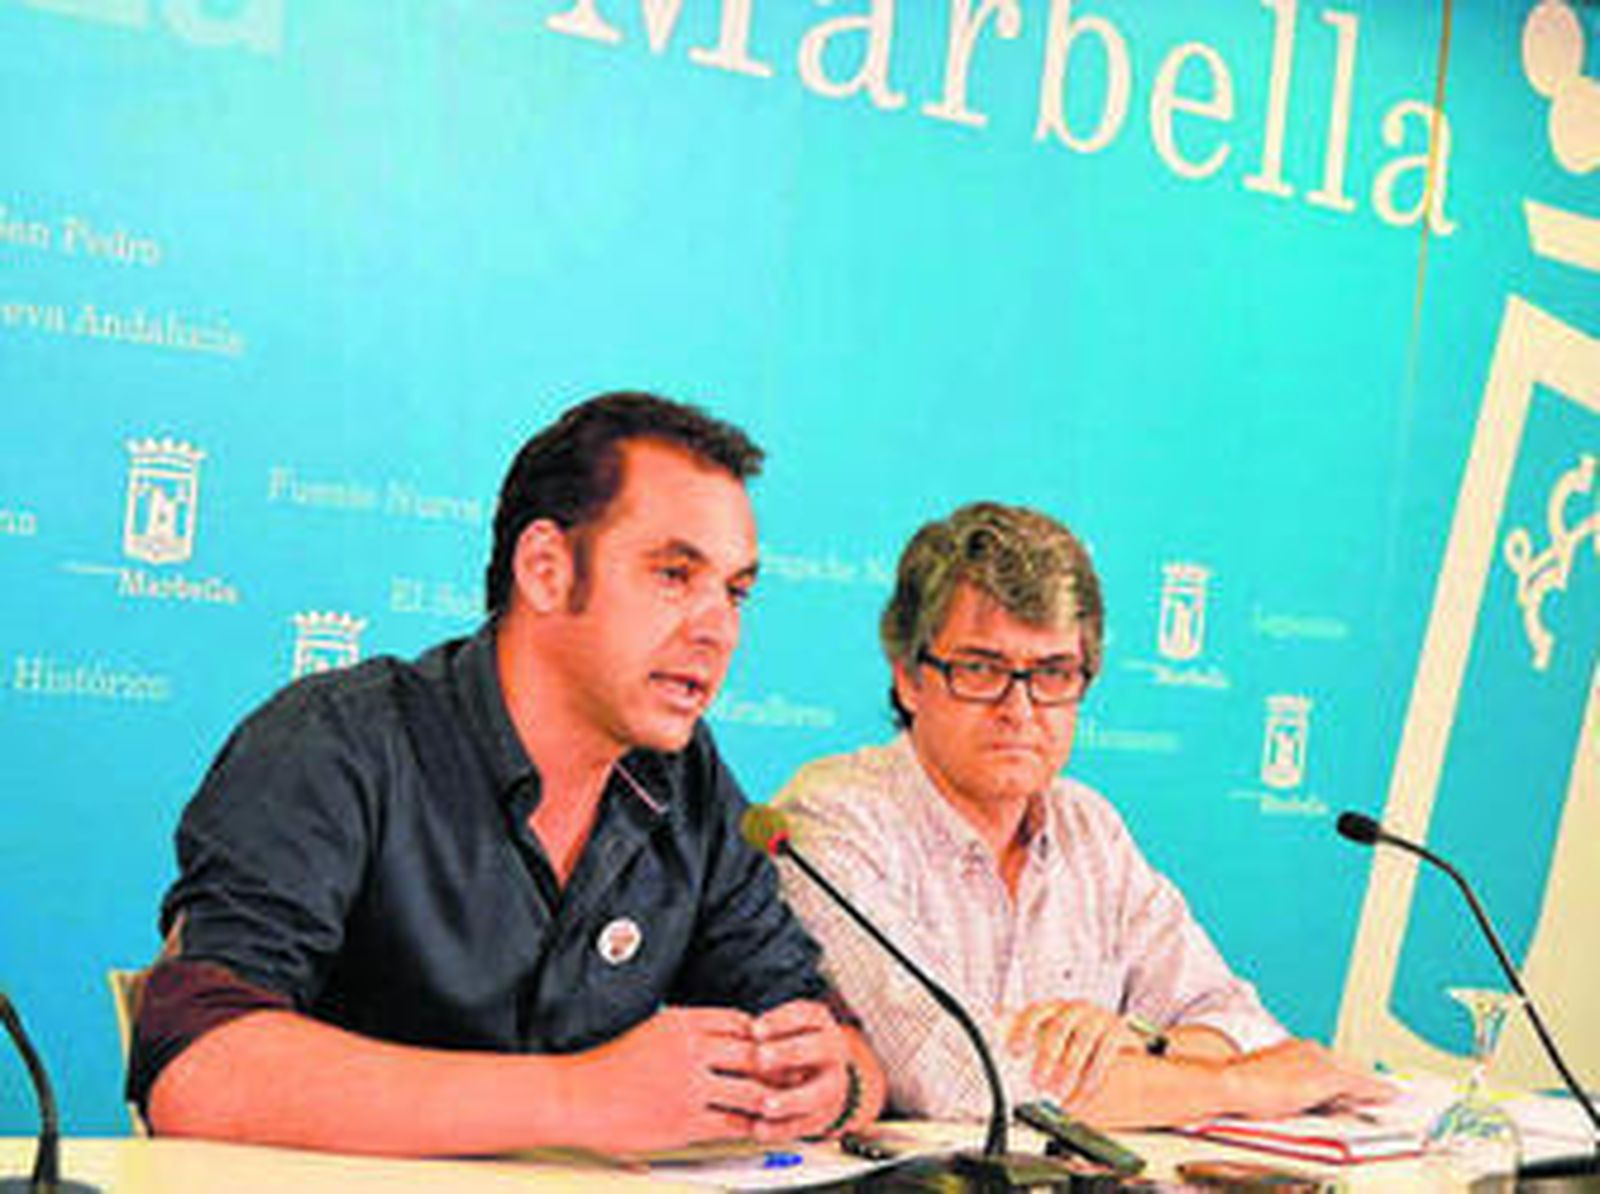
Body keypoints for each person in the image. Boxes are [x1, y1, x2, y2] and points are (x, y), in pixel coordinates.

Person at [127, 391, 885, 1156]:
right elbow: (199, 1070)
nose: (718, 628)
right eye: (673, 575)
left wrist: (832, 1081)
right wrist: (583, 1096)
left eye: (735, 591)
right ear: (547, 569)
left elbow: (833, 1043)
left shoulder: (689, 785)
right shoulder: (336, 743)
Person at [772, 502, 1390, 1127]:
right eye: (982, 669)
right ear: (909, 678)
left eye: (1053, 673)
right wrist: (1241, 1088)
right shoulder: (833, 820)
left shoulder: (1088, 826)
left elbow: (1238, 1021)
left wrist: (1143, 1042)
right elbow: (964, 1081)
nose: (1020, 709)